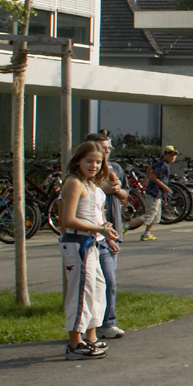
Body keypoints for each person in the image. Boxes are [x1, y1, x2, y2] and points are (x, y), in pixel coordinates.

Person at [60, 140, 112, 359]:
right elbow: (68, 220)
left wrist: (106, 235)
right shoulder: (74, 183)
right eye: (89, 161)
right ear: (78, 160)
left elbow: (98, 216)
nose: (94, 166)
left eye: (98, 162)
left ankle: (91, 337)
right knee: (81, 293)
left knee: (96, 291)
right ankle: (74, 343)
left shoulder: (92, 185)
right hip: (77, 243)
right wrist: (100, 229)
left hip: (93, 242)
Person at [91, 136, 130, 340]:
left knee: (110, 280)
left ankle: (107, 322)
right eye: (103, 147)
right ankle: (91, 325)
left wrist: (117, 190)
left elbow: (125, 193)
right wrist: (103, 191)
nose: (107, 151)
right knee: (98, 282)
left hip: (111, 231)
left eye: (109, 147)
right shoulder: (89, 170)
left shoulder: (115, 168)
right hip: (92, 235)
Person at [139, 145, 176, 240]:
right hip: (153, 192)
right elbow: (154, 178)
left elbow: (149, 167)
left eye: (174, 155)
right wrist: (165, 187)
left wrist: (147, 177)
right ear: (165, 155)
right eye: (170, 155)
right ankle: (127, 226)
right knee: (150, 214)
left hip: (158, 193)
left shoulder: (163, 164)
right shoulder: (162, 165)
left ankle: (147, 233)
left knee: (156, 216)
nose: (173, 157)